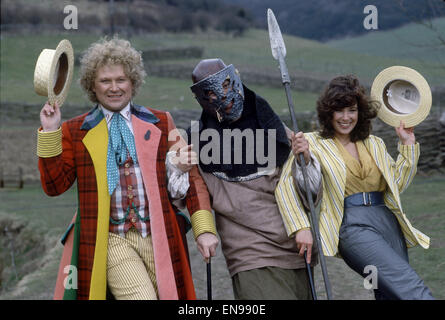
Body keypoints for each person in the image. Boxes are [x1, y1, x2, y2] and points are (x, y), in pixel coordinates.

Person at [37, 37, 219, 300]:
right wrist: (51, 131)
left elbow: (191, 177)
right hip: (110, 240)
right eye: (105, 81)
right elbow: (54, 186)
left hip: (159, 236)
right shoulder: (75, 130)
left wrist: (204, 230)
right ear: (92, 86)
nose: (114, 88)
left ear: (132, 82)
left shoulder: (161, 122)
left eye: (120, 80)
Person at [276, 74, 434, 300]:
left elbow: (395, 184)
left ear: (360, 112)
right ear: (328, 112)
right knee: (407, 285)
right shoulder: (310, 143)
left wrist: (407, 146)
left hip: (387, 222)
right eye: (339, 110)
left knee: (390, 292)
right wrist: (300, 227)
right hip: (351, 225)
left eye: (351, 110)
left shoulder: (374, 143)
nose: (345, 117)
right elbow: (285, 188)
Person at [186, 58, 321, 300]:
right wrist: (203, 230)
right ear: (201, 99)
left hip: (294, 245)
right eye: (210, 94)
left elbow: (308, 193)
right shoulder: (196, 142)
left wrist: (305, 160)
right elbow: (193, 190)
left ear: (235, 80)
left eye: (226, 85)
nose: (222, 97)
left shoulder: (272, 125)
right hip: (249, 253)